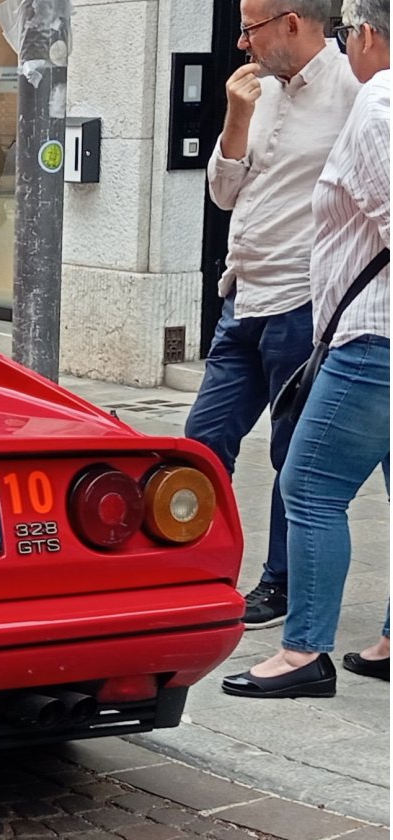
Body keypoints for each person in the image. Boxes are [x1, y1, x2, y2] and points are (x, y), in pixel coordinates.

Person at [223, 3, 390, 699]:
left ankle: (303, 654)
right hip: (355, 328)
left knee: (309, 485)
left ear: (369, 35)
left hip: (371, 337)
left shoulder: (377, 103)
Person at [186, 0, 361, 630]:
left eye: (250, 27)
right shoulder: (254, 92)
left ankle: (280, 584)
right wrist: (235, 117)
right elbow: (223, 191)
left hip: (304, 300)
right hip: (243, 294)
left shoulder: (354, 90)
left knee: (293, 456)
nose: (239, 43)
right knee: (201, 444)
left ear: (292, 22)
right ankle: (198, 570)